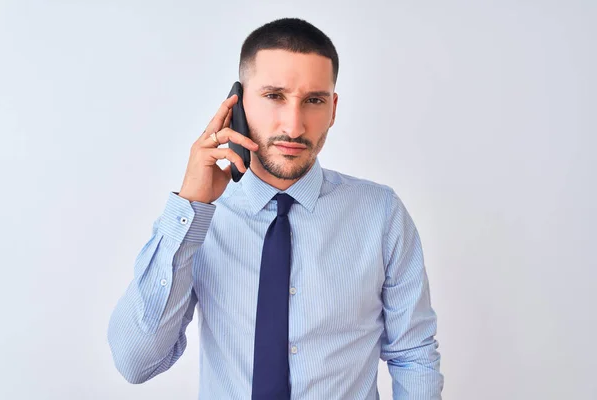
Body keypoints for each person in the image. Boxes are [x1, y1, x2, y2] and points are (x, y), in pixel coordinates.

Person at [107, 17, 444, 399]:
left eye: (313, 100)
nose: (295, 125)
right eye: (274, 96)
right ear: (237, 104)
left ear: (332, 109)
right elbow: (135, 362)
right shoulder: (198, 222)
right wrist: (189, 205)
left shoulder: (380, 214)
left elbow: (413, 354)